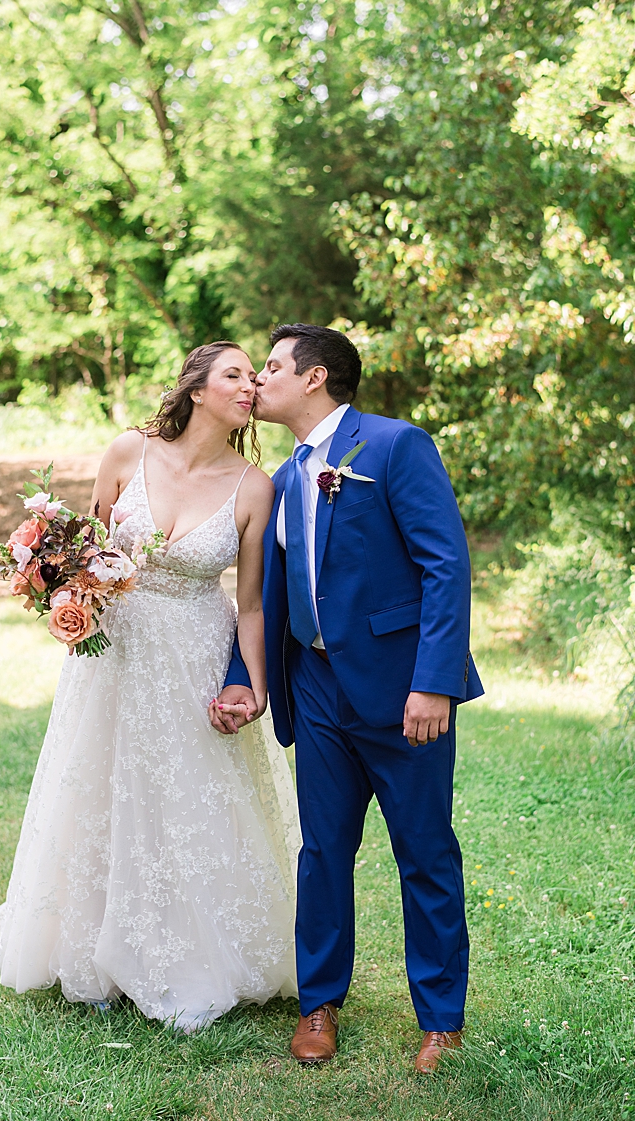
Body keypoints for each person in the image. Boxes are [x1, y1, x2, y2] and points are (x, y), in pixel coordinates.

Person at [0, 341, 301, 1032]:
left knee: (184, 795)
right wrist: (60, 590)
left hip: (195, 652)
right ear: (198, 387)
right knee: (99, 784)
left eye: (255, 377)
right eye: (235, 375)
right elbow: (85, 555)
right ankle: (88, 947)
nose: (250, 387)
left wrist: (254, 687)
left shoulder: (254, 487)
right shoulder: (129, 452)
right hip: (113, 652)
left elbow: (251, 604)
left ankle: (185, 949)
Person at [214, 323, 480, 1073]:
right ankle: (319, 1003)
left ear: (316, 378)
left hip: (404, 691)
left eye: (270, 366)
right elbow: (260, 593)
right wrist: (246, 672)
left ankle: (441, 1019)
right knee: (323, 850)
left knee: (425, 852)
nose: (257, 380)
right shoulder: (284, 476)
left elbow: (445, 567)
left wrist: (434, 681)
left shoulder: (396, 447)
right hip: (318, 688)